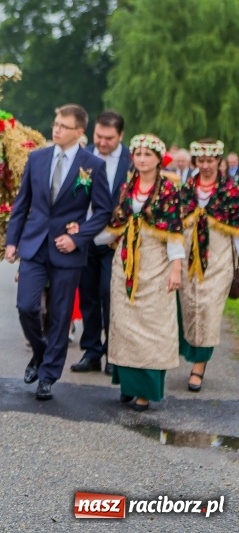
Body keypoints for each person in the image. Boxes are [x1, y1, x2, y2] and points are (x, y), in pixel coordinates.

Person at [5, 104, 112, 401]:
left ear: (79, 132)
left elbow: (103, 211)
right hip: (34, 244)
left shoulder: (93, 166)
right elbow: (21, 203)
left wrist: (78, 240)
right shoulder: (37, 158)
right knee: (26, 306)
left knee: (60, 316)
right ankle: (40, 354)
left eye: (63, 126)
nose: (56, 129)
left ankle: (49, 376)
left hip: (67, 250)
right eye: (55, 124)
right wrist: (12, 241)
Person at [102, 134, 183, 411]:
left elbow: (174, 232)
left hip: (155, 262)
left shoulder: (168, 191)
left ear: (159, 160)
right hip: (125, 261)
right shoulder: (127, 187)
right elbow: (117, 224)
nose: (142, 159)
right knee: (124, 324)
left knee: (152, 326)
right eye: (137, 154)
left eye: (148, 154)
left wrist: (175, 269)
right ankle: (127, 385)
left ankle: (146, 391)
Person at [70, 111, 132, 375]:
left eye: (109, 138)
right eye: (99, 136)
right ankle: (92, 350)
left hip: (115, 241)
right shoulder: (84, 156)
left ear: (120, 136)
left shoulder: (132, 161)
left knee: (110, 294)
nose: (103, 143)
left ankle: (113, 352)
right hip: (85, 238)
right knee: (88, 297)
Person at [178, 139, 239, 392]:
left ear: (218, 161)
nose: (205, 165)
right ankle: (190, 355)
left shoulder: (231, 191)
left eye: (210, 161)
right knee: (190, 306)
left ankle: (198, 368)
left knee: (209, 310)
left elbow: (236, 231)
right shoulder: (186, 190)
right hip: (187, 257)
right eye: (201, 161)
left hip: (219, 258)